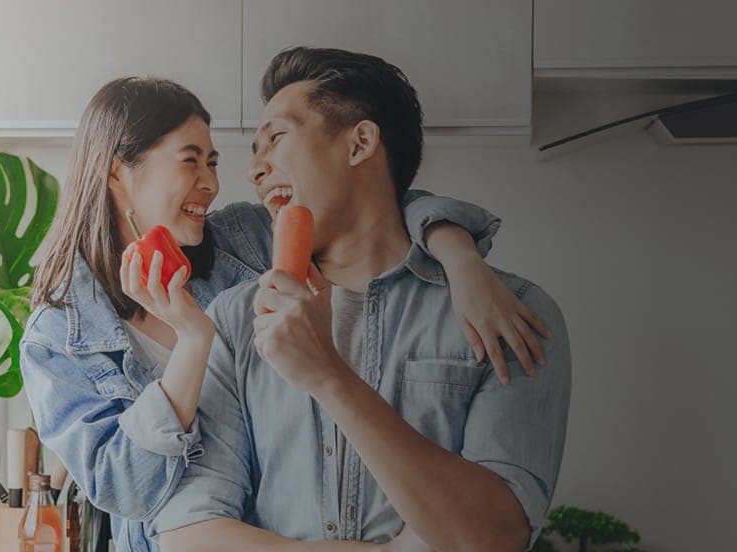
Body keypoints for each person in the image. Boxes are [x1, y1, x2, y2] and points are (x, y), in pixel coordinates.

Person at [21, 77, 548, 552]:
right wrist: (195, 341)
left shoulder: (243, 239)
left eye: (213, 162)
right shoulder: (57, 336)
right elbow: (128, 490)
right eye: (190, 160)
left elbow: (375, 203)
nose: (211, 181)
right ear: (117, 171)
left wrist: (460, 257)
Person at [153, 47, 571, 551]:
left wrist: (328, 377)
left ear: (360, 144)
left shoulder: (510, 312)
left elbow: (495, 538)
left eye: (276, 139)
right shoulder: (235, 319)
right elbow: (187, 535)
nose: (254, 170)